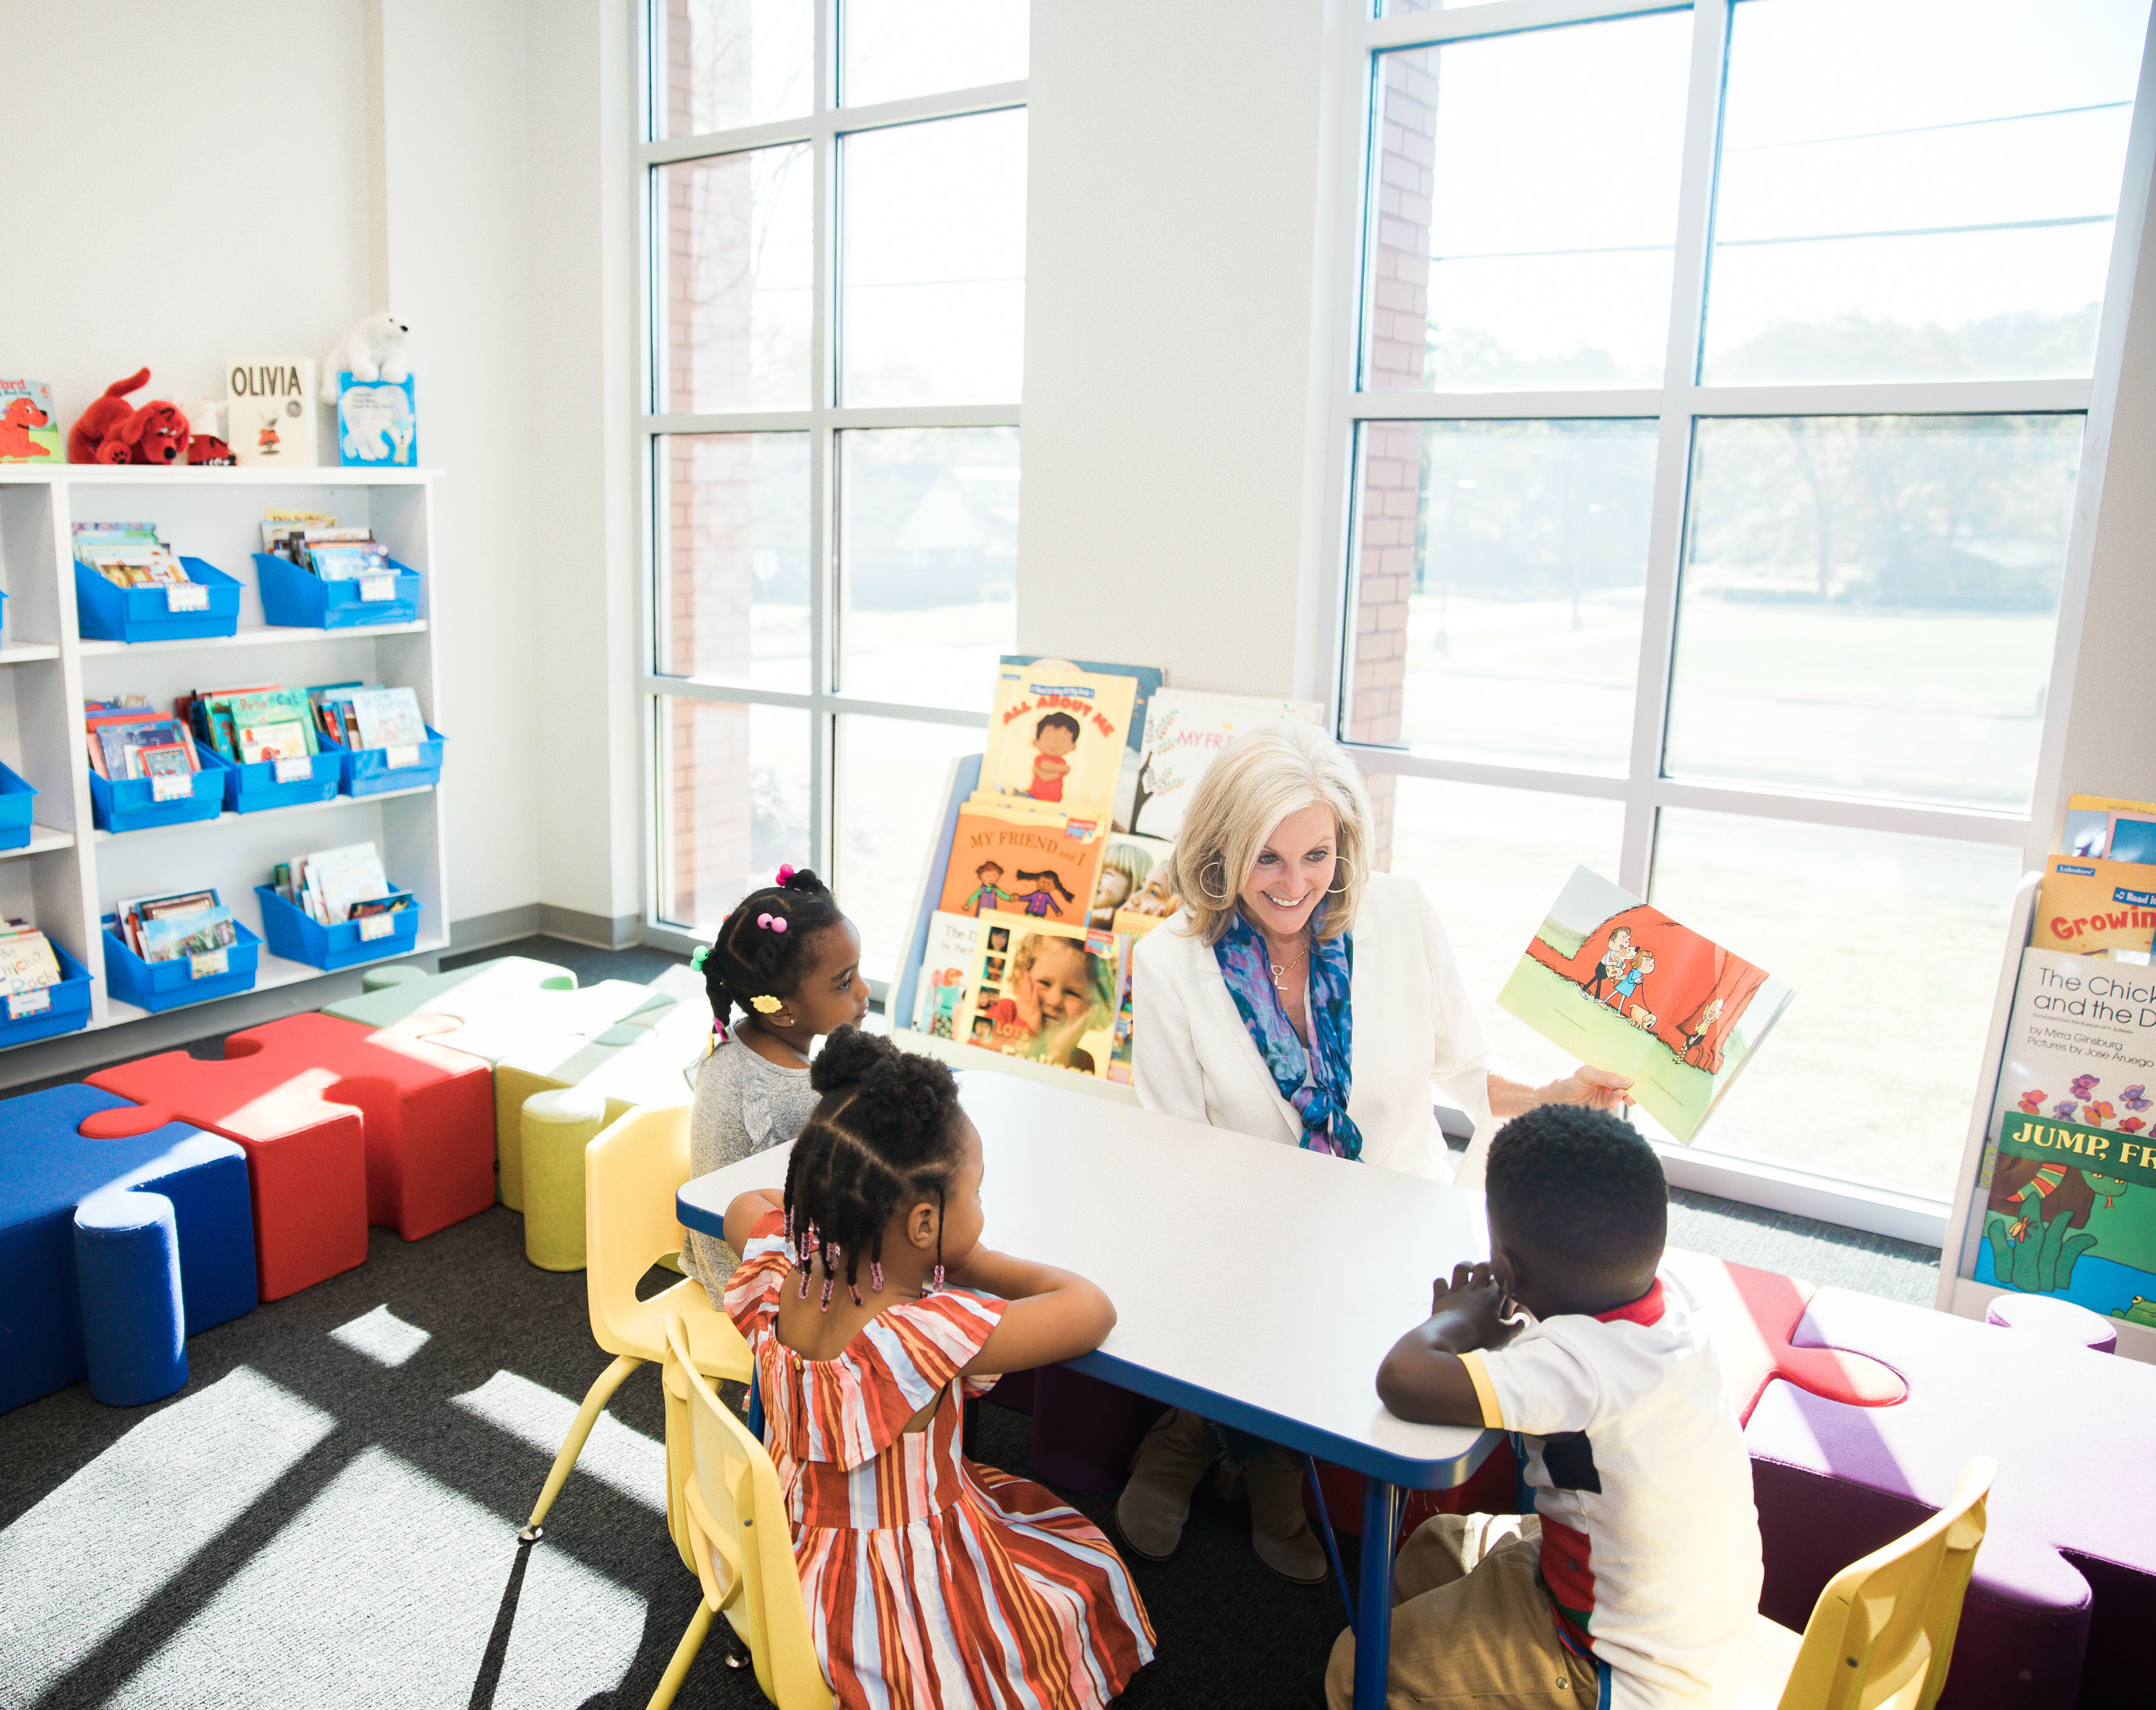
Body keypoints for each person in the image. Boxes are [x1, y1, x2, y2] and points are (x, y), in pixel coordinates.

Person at [1123, 720, 1631, 1581]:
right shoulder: (1168, 962)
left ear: (1344, 844)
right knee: (1262, 1301)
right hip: (1250, 1232)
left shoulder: (1399, 913)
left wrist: (1554, 1094)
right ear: (1219, 850)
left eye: (1315, 854)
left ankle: (1242, 1456)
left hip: (1396, 1221)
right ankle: (1206, 1444)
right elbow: (1175, 1153)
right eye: (1266, 858)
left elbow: (1469, 1073)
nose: (1294, 884)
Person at [720, 1030, 1156, 1709]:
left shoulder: (783, 1274)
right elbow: (1090, 1308)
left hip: (783, 1558)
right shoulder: (925, 1334)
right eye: (976, 1192)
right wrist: (973, 1260)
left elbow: (745, 1207)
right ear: (924, 1224)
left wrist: (824, 1225)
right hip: (887, 1594)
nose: (982, 1209)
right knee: (1084, 1575)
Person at [1313, 1105, 1762, 1710]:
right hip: (1688, 1627)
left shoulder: (1574, 1368)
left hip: (1615, 1672)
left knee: (1353, 1668)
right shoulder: (1672, 1307)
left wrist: (1453, 1320)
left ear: (1506, 1268)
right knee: (1436, 1545)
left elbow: (1403, 1378)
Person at [682, 866, 868, 1304]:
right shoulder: (794, 1094)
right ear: (783, 1012)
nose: (864, 989)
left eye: (857, 971)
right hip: (757, 1292)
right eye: (844, 982)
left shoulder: (736, 1039)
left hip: (718, 1259)